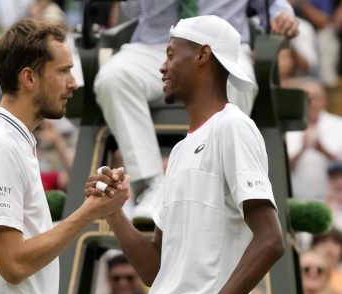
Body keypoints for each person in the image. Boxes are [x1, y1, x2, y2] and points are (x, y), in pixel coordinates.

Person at [86, 16, 284, 294]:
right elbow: (155, 271)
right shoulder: (180, 151)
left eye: (171, 55)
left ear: (203, 54)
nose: (162, 66)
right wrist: (114, 214)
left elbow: (271, 240)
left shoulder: (233, 127)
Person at [0, 19, 129, 294]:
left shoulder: (1, 141)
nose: (73, 83)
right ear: (29, 78)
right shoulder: (0, 146)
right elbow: (14, 264)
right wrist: (89, 212)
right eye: (63, 71)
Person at [93, 0, 298, 221]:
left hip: (223, 48)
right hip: (155, 47)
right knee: (113, 78)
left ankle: (215, 184)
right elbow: (132, 8)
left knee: (237, 81)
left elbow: (271, 5)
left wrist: (283, 15)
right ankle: (154, 187)